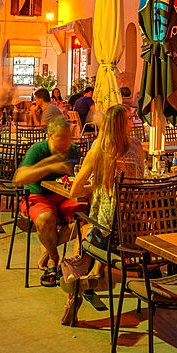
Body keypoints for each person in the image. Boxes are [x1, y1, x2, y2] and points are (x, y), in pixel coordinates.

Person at [62, 104, 144, 322]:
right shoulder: (138, 147)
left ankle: (75, 288)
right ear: (123, 124)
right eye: (130, 119)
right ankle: (95, 274)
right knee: (97, 228)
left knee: (83, 229)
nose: (133, 122)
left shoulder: (99, 149)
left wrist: (97, 185)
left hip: (109, 235)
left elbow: (75, 190)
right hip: (137, 233)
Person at [13, 116, 83, 287]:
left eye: (69, 136)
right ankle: (54, 259)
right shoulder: (39, 150)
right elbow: (19, 178)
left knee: (86, 217)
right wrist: (49, 167)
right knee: (45, 220)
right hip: (39, 196)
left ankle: (47, 248)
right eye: (61, 137)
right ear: (50, 135)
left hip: (65, 197)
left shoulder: (74, 150)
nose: (67, 141)